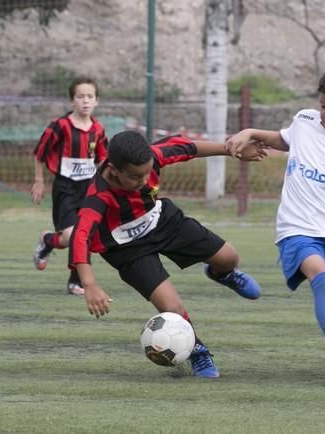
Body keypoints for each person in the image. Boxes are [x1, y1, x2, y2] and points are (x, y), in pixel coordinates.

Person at [227, 66, 325, 389]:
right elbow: (283, 140)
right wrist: (251, 132)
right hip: (297, 227)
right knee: (323, 279)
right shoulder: (304, 121)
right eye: (323, 105)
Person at [68, 130, 265, 378]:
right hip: (127, 248)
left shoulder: (153, 156)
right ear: (114, 169)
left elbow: (190, 148)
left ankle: (222, 274)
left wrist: (232, 150)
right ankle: (197, 352)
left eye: (146, 172)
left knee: (230, 258)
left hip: (162, 221)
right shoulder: (98, 197)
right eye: (134, 176)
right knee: (171, 307)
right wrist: (89, 284)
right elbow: (80, 237)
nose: (143, 180)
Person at [31, 77, 108, 295]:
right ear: (72, 101)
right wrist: (39, 181)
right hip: (65, 189)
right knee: (70, 237)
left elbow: (103, 160)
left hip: (89, 189)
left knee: (85, 235)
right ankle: (48, 240)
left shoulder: (99, 130)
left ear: (97, 101)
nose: (85, 101)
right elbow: (40, 154)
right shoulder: (60, 126)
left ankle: (76, 281)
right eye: (80, 96)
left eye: (90, 97)